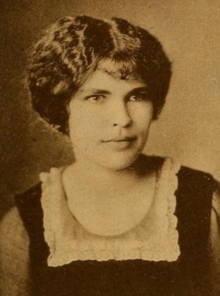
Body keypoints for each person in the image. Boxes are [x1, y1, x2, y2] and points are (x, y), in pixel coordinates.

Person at [0, 15, 219, 296]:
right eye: (96, 97)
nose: (122, 118)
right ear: (60, 106)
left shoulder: (201, 202)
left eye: (137, 96)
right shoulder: (24, 225)